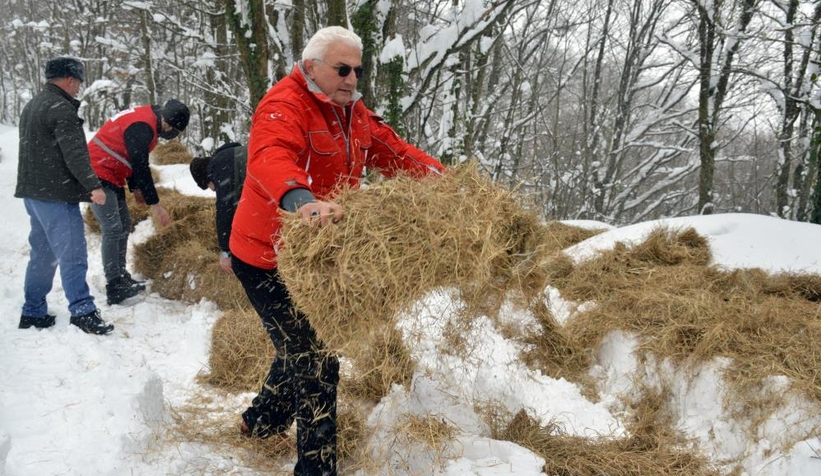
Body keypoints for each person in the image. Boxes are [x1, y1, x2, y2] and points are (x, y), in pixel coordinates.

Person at [229, 26, 446, 475]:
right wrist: (300, 200)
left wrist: (451, 184)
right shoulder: (284, 104)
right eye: (342, 69)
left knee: (300, 344)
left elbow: (395, 153)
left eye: (357, 70)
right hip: (266, 257)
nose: (351, 79)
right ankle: (316, 467)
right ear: (311, 67)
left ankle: (262, 419)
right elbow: (270, 156)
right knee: (315, 359)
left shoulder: (353, 113)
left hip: (316, 259)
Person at [15, 56, 115, 335]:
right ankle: (82, 311)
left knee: (43, 254)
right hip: (56, 195)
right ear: (70, 80)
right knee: (73, 254)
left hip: (34, 195)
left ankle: (33, 311)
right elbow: (75, 153)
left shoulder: (33, 104)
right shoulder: (61, 108)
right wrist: (93, 185)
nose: (78, 88)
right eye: (78, 83)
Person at [87, 98, 190, 305]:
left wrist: (135, 189)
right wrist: (156, 204)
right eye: (172, 129)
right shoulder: (143, 126)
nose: (170, 133)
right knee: (113, 228)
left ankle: (121, 274)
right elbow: (140, 165)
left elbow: (130, 155)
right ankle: (113, 284)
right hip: (96, 171)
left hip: (111, 172)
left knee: (124, 223)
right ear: (168, 123)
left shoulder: (146, 119)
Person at [189, 142, 247, 275]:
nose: (211, 189)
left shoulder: (220, 168)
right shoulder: (228, 156)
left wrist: (225, 251)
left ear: (207, 178)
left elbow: (225, 210)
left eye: (207, 186)